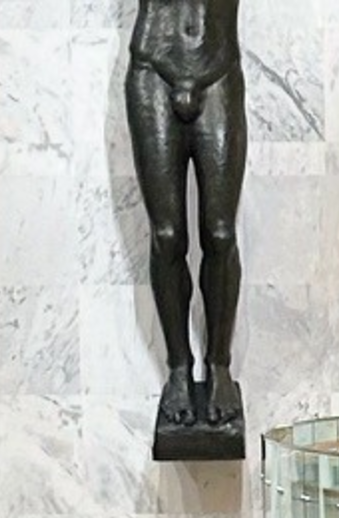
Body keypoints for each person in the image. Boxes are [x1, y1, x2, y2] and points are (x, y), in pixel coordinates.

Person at [126, 0, 247, 435]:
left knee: (220, 233)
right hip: (153, 69)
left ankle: (219, 364)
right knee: (167, 235)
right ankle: (178, 366)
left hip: (218, 69)